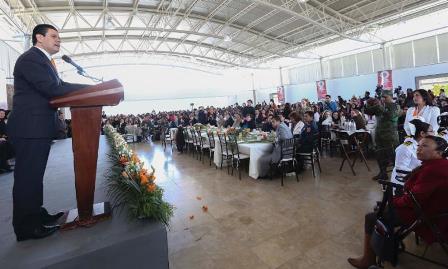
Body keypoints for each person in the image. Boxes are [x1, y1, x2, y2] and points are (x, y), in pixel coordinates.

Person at [7, 24, 88, 241]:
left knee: (34, 176)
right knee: (28, 178)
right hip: (29, 127)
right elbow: (52, 89)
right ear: (39, 38)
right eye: (53, 36)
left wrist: (89, 88)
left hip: (35, 127)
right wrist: (88, 90)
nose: (58, 40)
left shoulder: (45, 61)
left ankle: (36, 213)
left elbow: (61, 84)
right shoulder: (31, 59)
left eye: (59, 37)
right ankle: (26, 227)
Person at [348, 136, 448, 269]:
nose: (418, 149)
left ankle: (368, 259)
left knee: (371, 217)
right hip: (431, 209)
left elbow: (412, 200)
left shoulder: (432, 171)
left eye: (425, 146)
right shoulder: (440, 165)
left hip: (423, 214)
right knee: (382, 207)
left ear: (439, 152)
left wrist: (393, 201)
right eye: (418, 145)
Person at [365, 90, 401, 181]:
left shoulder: (395, 106)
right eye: (382, 97)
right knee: (380, 156)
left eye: (385, 97)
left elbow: (391, 116)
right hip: (379, 135)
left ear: (391, 96)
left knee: (393, 157)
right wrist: (368, 103)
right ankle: (382, 173)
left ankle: (399, 175)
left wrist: (380, 107)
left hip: (390, 137)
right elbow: (368, 111)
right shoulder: (380, 106)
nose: (383, 99)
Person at [390, 119, 432, 185]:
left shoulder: (424, 145)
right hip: (403, 184)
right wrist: (421, 174)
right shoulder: (405, 148)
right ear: (422, 134)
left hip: (418, 181)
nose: (434, 133)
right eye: (431, 131)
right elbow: (400, 170)